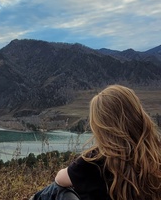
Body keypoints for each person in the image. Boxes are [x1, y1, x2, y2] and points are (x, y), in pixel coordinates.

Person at [30, 85, 161, 200]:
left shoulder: (94, 161)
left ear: (102, 127)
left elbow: (60, 179)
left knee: (57, 190)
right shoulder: (156, 152)